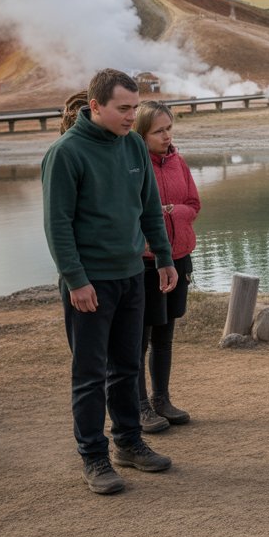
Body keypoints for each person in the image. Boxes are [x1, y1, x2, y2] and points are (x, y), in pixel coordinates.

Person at [41, 69, 178, 495]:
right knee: (89, 372)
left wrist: (164, 259)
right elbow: (56, 225)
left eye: (135, 107)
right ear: (95, 106)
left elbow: (150, 209)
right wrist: (76, 280)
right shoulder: (66, 153)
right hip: (90, 283)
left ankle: (129, 443)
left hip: (132, 276)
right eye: (123, 108)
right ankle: (94, 458)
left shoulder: (134, 144)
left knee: (126, 367)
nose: (130, 116)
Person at [133, 100, 201, 432]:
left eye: (169, 128)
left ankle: (162, 399)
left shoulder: (178, 161)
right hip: (146, 263)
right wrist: (156, 215)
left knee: (165, 334)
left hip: (178, 257)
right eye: (158, 130)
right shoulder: (133, 165)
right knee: (139, 337)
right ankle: (140, 406)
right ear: (141, 133)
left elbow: (194, 203)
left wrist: (174, 212)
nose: (166, 136)